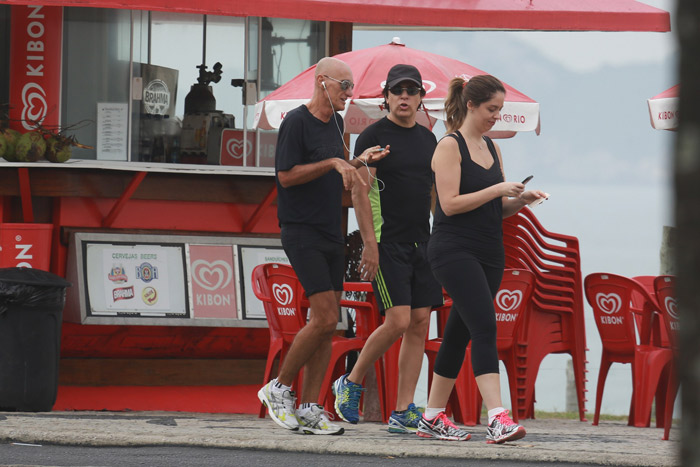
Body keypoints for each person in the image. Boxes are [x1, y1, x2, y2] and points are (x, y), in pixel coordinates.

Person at [258, 57, 388, 436]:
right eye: (343, 86)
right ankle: (279, 388)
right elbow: (285, 175)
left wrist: (357, 161)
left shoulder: (337, 122)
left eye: (351, 87)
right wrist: (334, 161)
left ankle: (311, 406)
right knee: (326, 316)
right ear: (321, 83)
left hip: (332, 229)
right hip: (302, 230)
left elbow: (339, 172)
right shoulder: (296, 122)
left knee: (329, 323)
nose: (349, 93)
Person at [417, 75, 547, 443]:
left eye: (500, 110)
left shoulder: (491, 147)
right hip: (453, 249)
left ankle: (431, 417)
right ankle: (498, 417)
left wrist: (520, 200)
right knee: (485, 328)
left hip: (489, 251)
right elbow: (450, 204)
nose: (496, 116)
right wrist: (497, 188)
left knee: (457, 335)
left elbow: (497, 207)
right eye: (492, 109)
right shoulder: (448, 146)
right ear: (471, 104)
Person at [332, 64, 443, 433]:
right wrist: (369, 245)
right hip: (386, 242)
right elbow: (359, 192)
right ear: (386, 98)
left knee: (419, 323)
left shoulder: (430, 139)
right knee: (396, 320)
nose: (405, 97)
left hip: (421, 243)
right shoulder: (373, 137)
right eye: (398, 91)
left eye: (412, 91)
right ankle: (351, 382)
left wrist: (440, 237)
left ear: (421, 98)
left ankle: (403, 409)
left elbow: (431, 193)